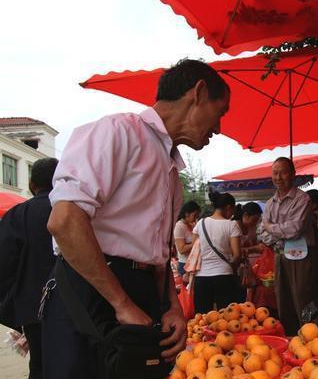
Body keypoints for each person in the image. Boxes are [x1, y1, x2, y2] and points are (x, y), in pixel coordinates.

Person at [42, 59, 230, 377]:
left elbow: (157, 251)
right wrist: (121, 304)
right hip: (94, 288)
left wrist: (170, 304)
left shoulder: (170, 169)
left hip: (142, 292)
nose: (219, 127)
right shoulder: (118, 132)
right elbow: (65, 220)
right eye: (220, 111)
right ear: (198, 93)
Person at [0, 158, 58, 379]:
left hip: (33, 305)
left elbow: (5, 263)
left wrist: (12, 306)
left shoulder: (18, 214)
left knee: (40, 364)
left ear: (33, 184)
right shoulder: (78, 211)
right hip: (78, 305)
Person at [259, 157, 318, 335]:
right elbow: (261, 232)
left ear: (293, 174)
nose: (278, 177)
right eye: (275, 173)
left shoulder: (303, 199)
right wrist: (277, 233)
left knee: (303, 298)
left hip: (301, 257)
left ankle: (310, 338)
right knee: (283, 301)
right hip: (280, 255)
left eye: (283, 172)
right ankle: (289, 340)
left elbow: (294, 229)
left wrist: (272, 228)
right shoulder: (270, 203)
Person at [191, 192, 242, 313]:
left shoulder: (200, 223)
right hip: (224, 276)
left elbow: (194, 249)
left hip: (202, 278)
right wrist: (232, 265)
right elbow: (237, 255)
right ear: (229, 207)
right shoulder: (231, 225)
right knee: (226, 318)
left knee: (202, 319)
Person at [174, 201, 201, 276]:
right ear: (187, 214)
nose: (195, 218)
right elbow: (181, 249)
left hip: (194, 261)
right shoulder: (179, 226)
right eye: (194, 215)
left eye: (197, 216)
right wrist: (196, 243)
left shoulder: (193, 224)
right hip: (185, 263)